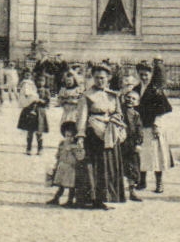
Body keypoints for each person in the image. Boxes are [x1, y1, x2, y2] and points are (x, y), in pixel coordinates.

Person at [76, 66, 126, 210]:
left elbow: (119, 113)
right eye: (97, 78)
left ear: (108, 78)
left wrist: (115, 120)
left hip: (110, 133)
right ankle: (93, 199)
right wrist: (80, 136)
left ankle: (107, 196)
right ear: (93, 78)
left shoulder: (113, 95)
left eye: (102, 78)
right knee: (95, 166)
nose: (100, 81)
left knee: (109, 165)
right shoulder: (87, 96)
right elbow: (82, 117)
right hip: (94, 134)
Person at [118, 72, 144, 202]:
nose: (130, 100)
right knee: (119, 166)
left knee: (132, 167)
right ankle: (120, 192)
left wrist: (139, 143)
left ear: (137, 102)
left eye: (133, 99)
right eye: (128, 97)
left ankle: (132, 191)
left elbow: (139, 130)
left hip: (132, 144)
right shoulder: (120, 110)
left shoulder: (136, 115)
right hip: (121, 143)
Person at [47, 121, 82, 206]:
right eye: (67, 136)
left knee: (71, 186)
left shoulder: (76, 146)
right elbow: (58, 155)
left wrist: (74, 150)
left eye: (71, 136)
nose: (69, 138)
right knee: (61, 185)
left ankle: (70, 200)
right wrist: (56, 163)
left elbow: (80, 157)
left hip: (71, 168)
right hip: (62, 166)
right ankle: (56, 198)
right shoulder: (62, 144)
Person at [18, 73, 50, 155]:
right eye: (38, 81)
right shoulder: (31, 88)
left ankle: (40, 148)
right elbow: (26, 97)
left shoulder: (46, 91)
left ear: (45, 82)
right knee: (30, 131)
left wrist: (41, 101)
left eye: (42, 81)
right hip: (31, 112)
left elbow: (47, 102)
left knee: (39, 132)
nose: (40, 82)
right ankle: (29, 148)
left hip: (40, 112)